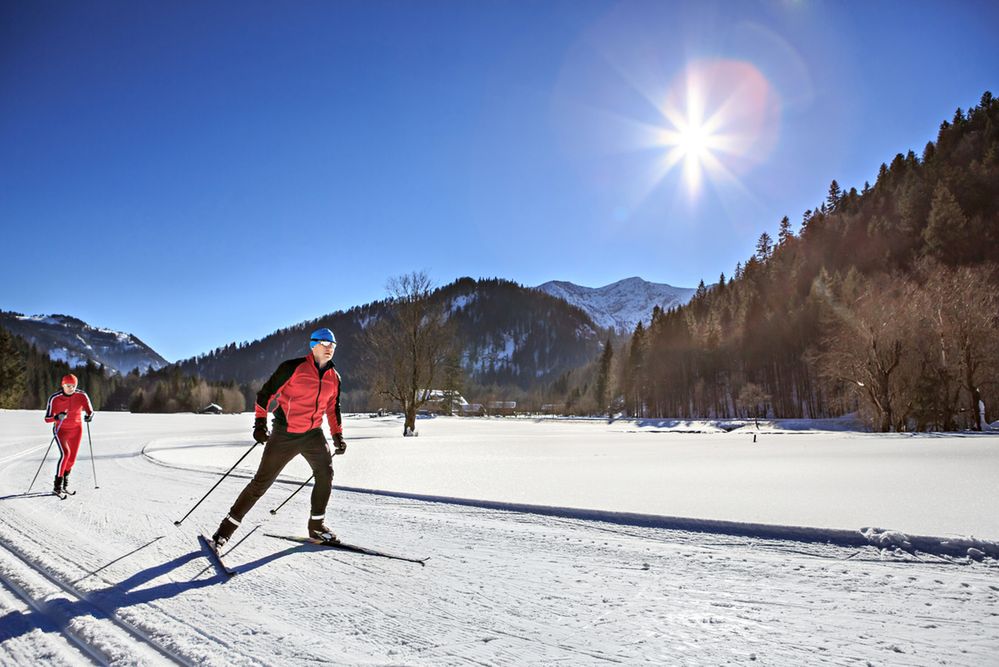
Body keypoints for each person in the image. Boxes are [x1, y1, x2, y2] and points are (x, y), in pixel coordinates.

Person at [212, 327, 346, 547]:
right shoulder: (293, 368)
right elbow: (265, 395)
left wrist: (338, 436)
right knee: (260, 484)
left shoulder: (334, 377)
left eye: (333, 344)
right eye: (325, 343)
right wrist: (260, 423)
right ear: (313, 345)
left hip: (313, 434)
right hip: (285, 433)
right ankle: (224, 531)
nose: (330, 347)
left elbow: (333, 408)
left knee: (326, 474)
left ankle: (317, 527)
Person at [44, 374, 94, 496]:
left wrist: (89, 416)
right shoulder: (54, 398)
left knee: (71, 460)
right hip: (61, 430)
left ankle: (65, 484)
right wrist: (57, 417)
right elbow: (47, 419)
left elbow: (90, 411)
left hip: (77, 430)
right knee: (65, 454)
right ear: (63, 385)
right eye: (68, 386)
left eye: (73, 386)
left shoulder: (82, 395)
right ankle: (57, 485)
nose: (70, 388)